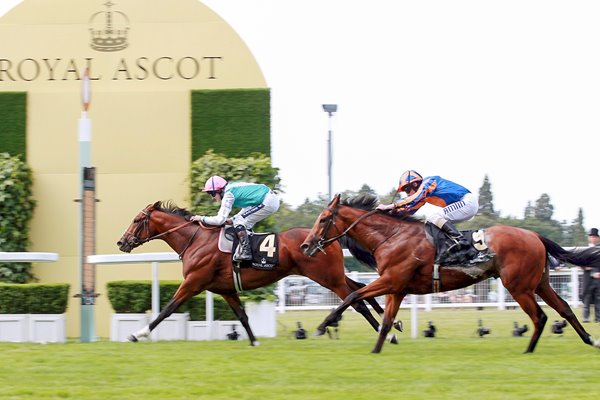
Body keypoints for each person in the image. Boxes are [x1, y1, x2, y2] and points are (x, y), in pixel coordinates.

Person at [376, 170, 478, 256]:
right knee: (432, 222)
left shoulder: (429, 182)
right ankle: (452, 244)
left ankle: (461, 241)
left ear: (415, 184)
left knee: (434, 217)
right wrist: (391, 213)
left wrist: (389, 206)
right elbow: (409, 210)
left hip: (467, 202)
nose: (407, 194)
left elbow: (413, 198)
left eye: (407, 189)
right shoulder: (423, 196)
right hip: (464, 205)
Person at [190, 175, 280, 261]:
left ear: (219, 190)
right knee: (239, 221)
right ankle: (251, 249)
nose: (212, 197)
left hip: (268, 201)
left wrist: (201, 218)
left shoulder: (228, 194)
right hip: (267, 199)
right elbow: (246, 208)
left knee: (240, 222)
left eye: (211, 193)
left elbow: (220, 220)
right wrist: (232, 219)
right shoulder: (231, 188)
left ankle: (246, 252)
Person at [582, 228, 600, 323]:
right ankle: (585, 318)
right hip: (588, 277)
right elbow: (580, 261)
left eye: (594, 237)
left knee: (598, 299)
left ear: (598, 238)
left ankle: (598, 318)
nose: (593, 238)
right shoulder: (586, 250)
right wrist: (585, 267)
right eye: (591, 237)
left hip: (598, 278)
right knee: (587, 298)